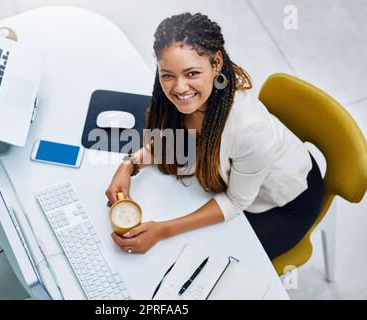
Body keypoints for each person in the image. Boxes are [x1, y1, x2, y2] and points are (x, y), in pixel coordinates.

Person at [105, 12, 324, 260]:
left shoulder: (251, 130)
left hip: (284, 203)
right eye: (168, 75)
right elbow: (174, 143)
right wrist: (129, 165)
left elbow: (235, 202)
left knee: (212, 260)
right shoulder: (187, 101)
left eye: (192, 74)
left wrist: (163, 230)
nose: (179, 87)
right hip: (243, 177)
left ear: (216, 63)